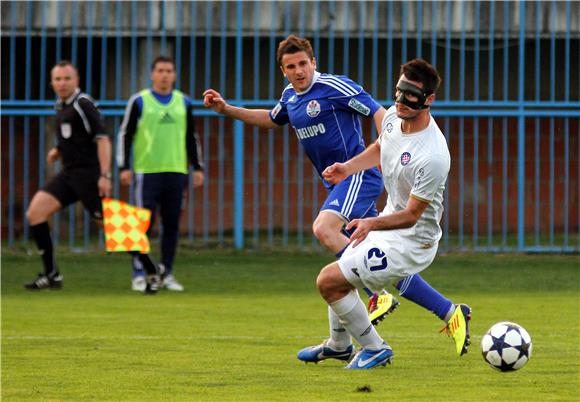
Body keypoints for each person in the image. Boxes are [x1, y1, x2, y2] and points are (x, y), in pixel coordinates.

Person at [203, 34, 399, 323]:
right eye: (291, 66)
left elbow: (378, 112)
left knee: (324, 228)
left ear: (313, 62)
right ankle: (445, 311)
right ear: (283, 71)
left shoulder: (333, 86)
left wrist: (384, 151)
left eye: (303, 64)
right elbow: (271, 119)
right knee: (363, 253)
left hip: (358, 175)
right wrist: (226, 109)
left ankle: (376, 293)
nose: (299, 71)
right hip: (337, 184)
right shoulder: (290, 97)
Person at [296, 59, 472, 369]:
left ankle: (375, 348)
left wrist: (370, 222)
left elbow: (412, 216)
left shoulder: (432, 155)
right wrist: (347, 168)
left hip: (413, 242)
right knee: (339, 276)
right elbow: (381, 146)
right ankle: (339, 346)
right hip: (388, 228)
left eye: (411, 96)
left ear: (429, 100)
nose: (401, 102)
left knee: (329, 281)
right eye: (399, 92)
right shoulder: (392, 117)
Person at [24, 61, 162, 294]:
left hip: (88, 177)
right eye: (57, 79)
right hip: (69, 175)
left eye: (67, 78)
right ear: (52, 83)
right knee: (35, 213)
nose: (62, 83)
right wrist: (58, 150)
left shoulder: (83, 104)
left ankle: (152, 271)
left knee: (113, 228)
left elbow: (102, 139)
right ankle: (51, 274)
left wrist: (105, 175)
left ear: (76, 80)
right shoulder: (61, 106)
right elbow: (77, 137)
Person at [117, 56, 205, 292]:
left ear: (174, 75)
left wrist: (197, 167)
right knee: (141, 224)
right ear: (152, 74)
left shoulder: (183, 102)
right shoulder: (139, 101)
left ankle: (166, 272)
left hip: (177, 172)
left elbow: (191, 137)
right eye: (160, 70)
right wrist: (123, 166)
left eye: (169, 70)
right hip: (147, 172)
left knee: (171, 225)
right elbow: (125, 134)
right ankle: (140, 272)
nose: (164, 75)